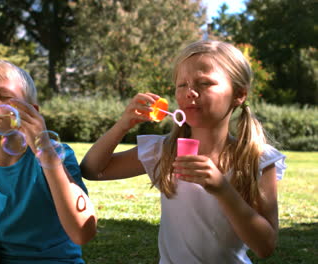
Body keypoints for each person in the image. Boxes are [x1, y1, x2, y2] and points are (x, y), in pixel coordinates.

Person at [80, 40, 286, 263]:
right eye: (182, 85)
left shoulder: (257, 159)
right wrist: (122, 125)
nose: (190, 92)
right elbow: (92, 170)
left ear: (239, 94)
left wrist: (222, 189)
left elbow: (265, 246)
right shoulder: (164, 151)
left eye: (204, 83)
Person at [0, 60, 97, 264]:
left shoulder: (56, 156)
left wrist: (46, 154)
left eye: (4, 95)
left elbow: (83, 233)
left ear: (31, 111)